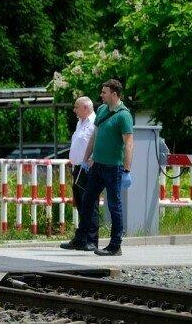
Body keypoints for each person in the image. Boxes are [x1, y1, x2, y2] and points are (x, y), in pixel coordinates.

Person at [60, 79, 134, 256]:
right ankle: (81, 238)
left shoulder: (124, 115)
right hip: (97, 166)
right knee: (86, 201)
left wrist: (127, 170)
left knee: (114, 205)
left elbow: (129, 143)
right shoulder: (101, 110)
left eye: (104, 92)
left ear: (114, 94)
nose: (101, 95)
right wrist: (86, 158)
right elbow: (94, 135)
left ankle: (115, 245)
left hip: (113, 168)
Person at [68, 95, 97, 246]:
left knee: (90, 204)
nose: (74, 110)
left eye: (76, 107)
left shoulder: (94, 123)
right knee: (80, 204)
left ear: (85, 107)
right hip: (77, 167)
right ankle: (81, 238)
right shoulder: (80, 122)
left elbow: (96, 144)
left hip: (88, 168)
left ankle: (91, 240)